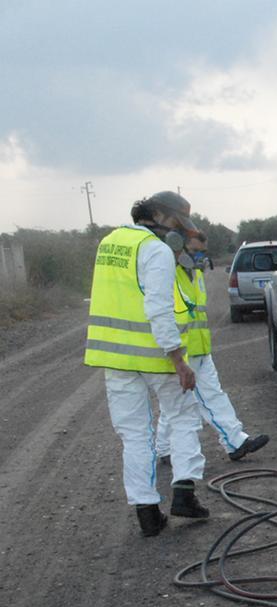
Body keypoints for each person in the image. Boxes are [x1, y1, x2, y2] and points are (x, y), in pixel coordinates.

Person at [84, 191, 211, 536]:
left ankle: (147, 514)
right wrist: (178, 359)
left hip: (117, 360)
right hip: (157, 357)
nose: (179, 232)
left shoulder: (109, 243)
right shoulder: (156, 250)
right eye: (175, 223)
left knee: (135, 437)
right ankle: (184, 493)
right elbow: (158, 308)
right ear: (156, 214)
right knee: (183, 419)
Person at [155, 231, 269, 464]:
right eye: (195, 251)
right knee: (208, 397)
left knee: (176, 401)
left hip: (197, 347)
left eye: (202, 253)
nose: (200, 257)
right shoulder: (168, 273)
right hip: (183, 350)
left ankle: (165, 449)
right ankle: (235, 442)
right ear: (180, 249)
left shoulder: (193, 274)